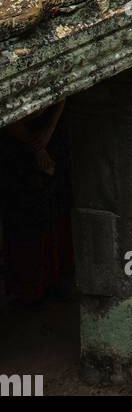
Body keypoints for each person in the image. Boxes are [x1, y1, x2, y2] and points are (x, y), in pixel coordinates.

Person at [0, 100, 74, 303]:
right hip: (17, 149)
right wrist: (37, 147)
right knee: (26, 218)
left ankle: (54, 278)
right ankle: (29, 288)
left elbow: (62, 92)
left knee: (56, 207)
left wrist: (47, 133)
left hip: (49, 131)